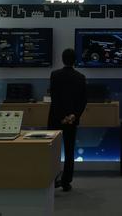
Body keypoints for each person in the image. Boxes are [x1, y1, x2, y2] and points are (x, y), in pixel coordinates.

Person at [48, 48, 87, 192]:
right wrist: (73, 115)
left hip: (55, 119)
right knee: (70, 151)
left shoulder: (55, 75)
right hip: (71, 120)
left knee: (52, 150)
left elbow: (54, 98)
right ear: (75, 60)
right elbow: (83, 100)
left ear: (62, 59)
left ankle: (52, 180)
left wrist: (61, 117)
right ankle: (66, 182)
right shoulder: (80, 77)